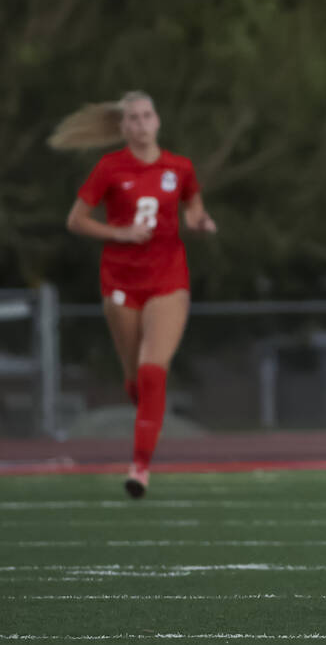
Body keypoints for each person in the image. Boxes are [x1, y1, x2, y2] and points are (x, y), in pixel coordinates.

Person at [52, 91, 217, 499]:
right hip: (121, 283)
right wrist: (119, 233)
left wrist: (200, 221)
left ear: (157, 121)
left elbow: (193, 206)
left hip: (168, 280)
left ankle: (139, 467)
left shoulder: (179, 167)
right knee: (135, 381)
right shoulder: (109, 168)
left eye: (147, 116)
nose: (142, 124)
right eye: (133, 118)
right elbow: (76, 220)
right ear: (123, 127)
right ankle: (142, 414)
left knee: (152, 371)